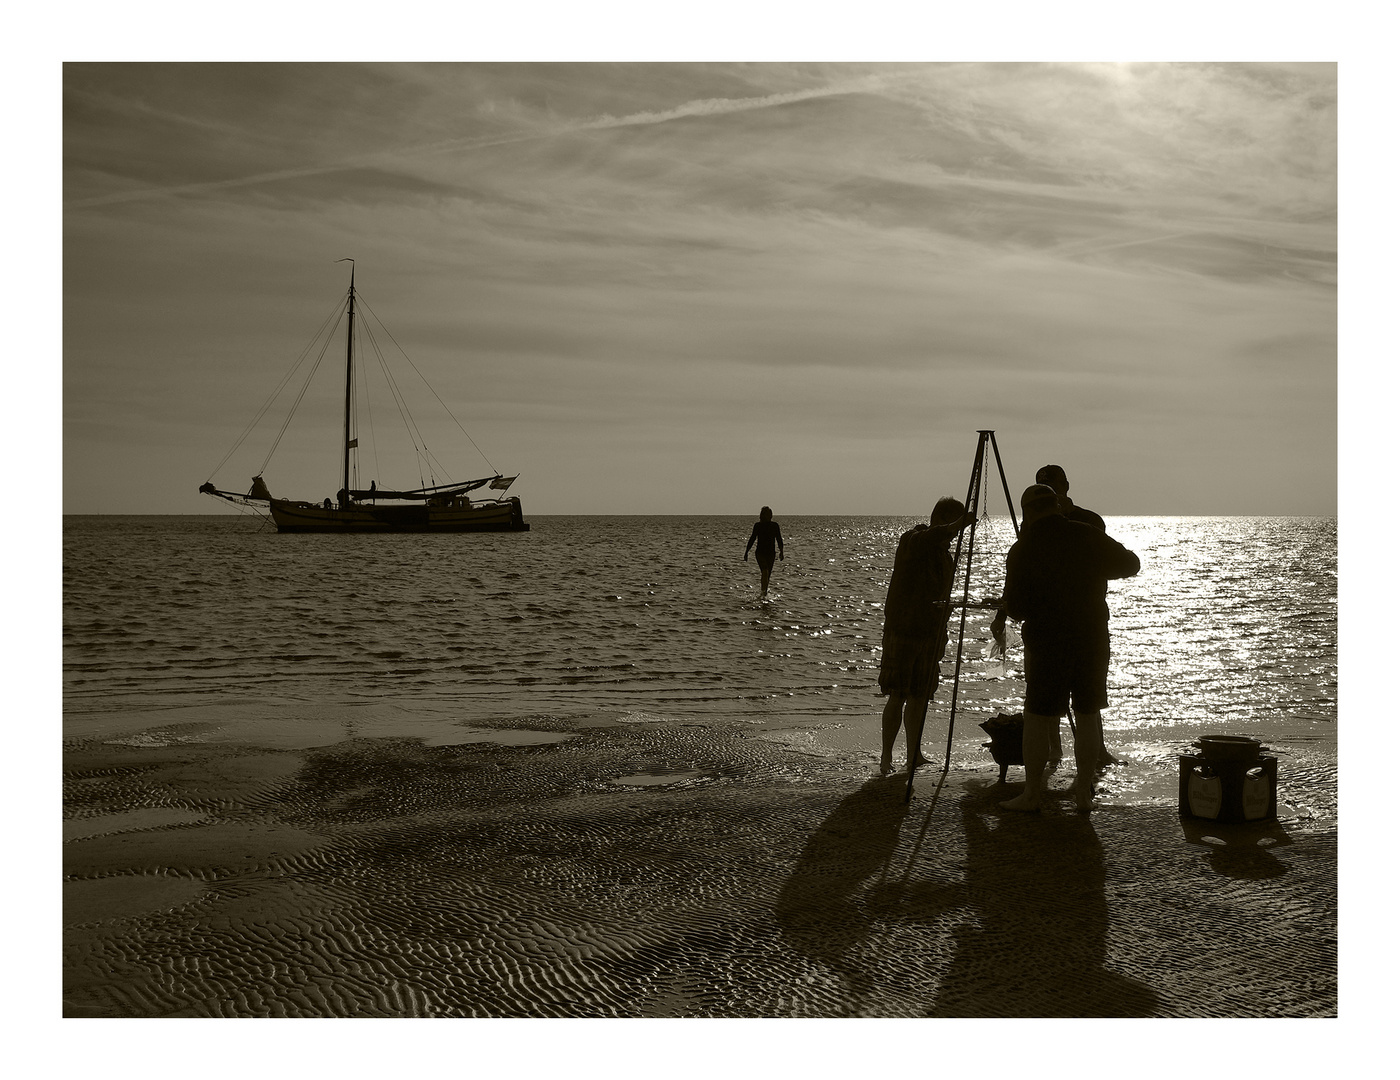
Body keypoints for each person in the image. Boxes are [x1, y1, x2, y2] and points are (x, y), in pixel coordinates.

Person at [999, 484, 1140, 813]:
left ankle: (1032, 794)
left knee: (1037, 716)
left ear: (1028, 512)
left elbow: (1017, 609)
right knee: (1087, 714)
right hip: (1091, 639)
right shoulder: (1086, 534)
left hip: (1048, 642)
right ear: (1058, 505)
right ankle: (1082, 796)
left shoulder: (1023, 548)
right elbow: (1131, 564)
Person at [878, 497, 977, 776]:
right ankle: (886, 756)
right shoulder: (912, 539)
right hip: (904, 629)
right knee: (897, 693)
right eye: (954, 527)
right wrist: (956, 524)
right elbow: (928, 539)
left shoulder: (945, 555)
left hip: (932, 633)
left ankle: (914, 754)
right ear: (942, 519)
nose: (955, 534)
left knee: (921, 695)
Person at [1033, 463, 1115, 768]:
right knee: (1049, 697)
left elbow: (1104, 556)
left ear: (1066, 485)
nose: (1051, 492)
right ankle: (1056, 749)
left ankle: (1099, 751)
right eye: (1044, 487)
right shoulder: (1036, 524)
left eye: (1054, 486)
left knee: (1089, 699)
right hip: (1050, 620)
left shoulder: (1089, 520)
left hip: (1087, 617)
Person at [1035, 464, 1106, 531]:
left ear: (1066, 486)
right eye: (1043, 489)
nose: (1048, 493)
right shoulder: (1033, 522)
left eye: (1053, 488)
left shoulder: (1090, 520)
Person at [744, 507, 785, 598]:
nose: (770, 516)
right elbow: (752, 539)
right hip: (760, 553)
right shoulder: (758, 526)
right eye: (767, 514)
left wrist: (781, 552)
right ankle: (763, 595)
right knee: (765, 571)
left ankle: (764, 594)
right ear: (763, 515)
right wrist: (746, 551)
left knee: (767, 576)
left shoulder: (774, 526)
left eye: (770, 514)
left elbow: (779, 539)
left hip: (771, 554)